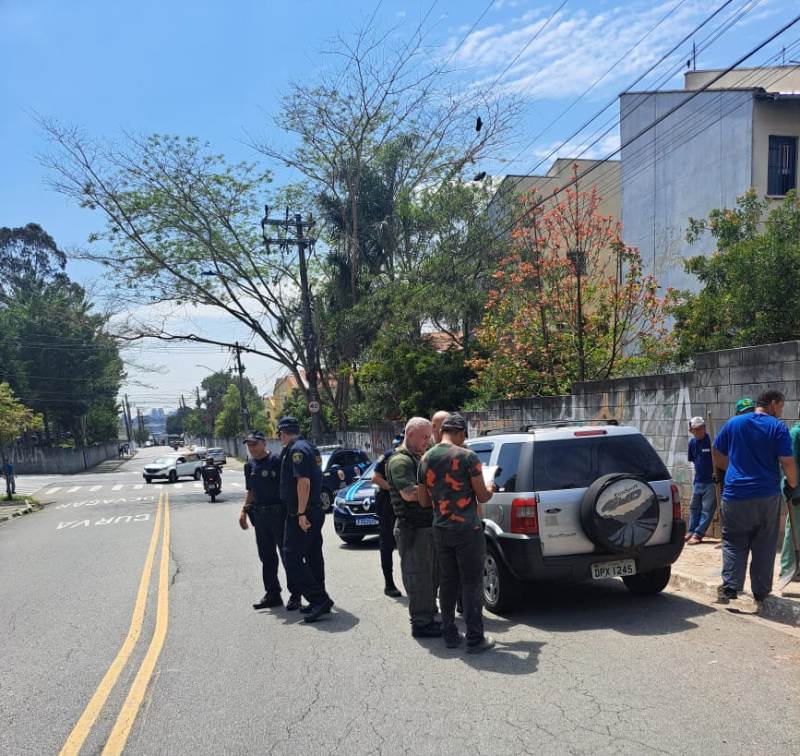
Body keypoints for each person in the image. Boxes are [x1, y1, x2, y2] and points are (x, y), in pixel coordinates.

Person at [712, 389, 797, 610]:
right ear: (773, 403)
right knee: (764, 544)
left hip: (735, 494)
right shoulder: (777, 427)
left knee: (733, 542)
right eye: (781, 406)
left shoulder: (734, 423)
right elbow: (787, 462)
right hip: (766, 495)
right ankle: (760, 592)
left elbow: (716, 453)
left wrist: (732, 470)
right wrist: (792, 484)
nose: (781, 411)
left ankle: (731, 587)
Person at [419, 413, 495, 653]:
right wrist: (490, 487)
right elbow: (482, 496)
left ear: (442, 431)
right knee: (471, 584)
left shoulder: (425, 459)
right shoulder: (467, 457)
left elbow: (423, 501)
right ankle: (475, 639)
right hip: (467, 530)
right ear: (461, 433)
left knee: (448, 582)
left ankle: (450, 635)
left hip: (441, 529)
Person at [387, 417, 440, 638]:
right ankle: (421, 623)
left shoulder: (418, 457)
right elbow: (409, 494)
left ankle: (428, 614)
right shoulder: (400, 461)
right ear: (409, 434)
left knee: (431, 576)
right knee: (419, 577)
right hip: (413, 529)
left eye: (429, 437)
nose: (428, 441)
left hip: (426, 527)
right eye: (424, 437)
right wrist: (442, 490)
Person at [277, 416, 334, 623]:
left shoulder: (296, 450)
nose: (279, 438)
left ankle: (319, 600)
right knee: (312, 555)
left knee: (291, 558)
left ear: (283, 432)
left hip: (303, 513)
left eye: (279, 434)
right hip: (313, 510)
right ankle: (319, 599)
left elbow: (304, 483)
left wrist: (300, 514)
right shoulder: (309, 446)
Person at [237, 431, 300, 611]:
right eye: (249, 445)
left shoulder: (277, 461)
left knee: (287, 556)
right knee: (266, 557)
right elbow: (250, 491)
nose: (251, 448)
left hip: (279, 515)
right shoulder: (249, 465)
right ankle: (273, 594)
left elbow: (291, 486)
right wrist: (243, 511)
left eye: (254, 444)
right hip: (260, 517)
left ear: (264, 443)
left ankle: (295, 594)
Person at [372, 434, 404, 598]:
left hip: (407, 507)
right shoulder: (388, 456)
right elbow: (375, 478)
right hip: (387, 507)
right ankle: (389, 583)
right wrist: (394, 489)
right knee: (387, 546)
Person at [686, 416, 716, 545]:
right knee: (694, 507)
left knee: (707, 510)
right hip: (698, 481)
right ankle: (691, 531)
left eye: (701, 428)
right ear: (691, 431)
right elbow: (693, 459)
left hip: (711, 482)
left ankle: (698, 534)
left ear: (705, 428)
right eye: (696, 429)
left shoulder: (711, 441)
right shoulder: (692, 443)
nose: (699, 431)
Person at [780, 414, 800, 584]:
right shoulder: (795, 433)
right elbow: (789, 463)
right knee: (794, 529)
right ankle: (788, 569)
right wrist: (792, 487)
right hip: (796, 491)